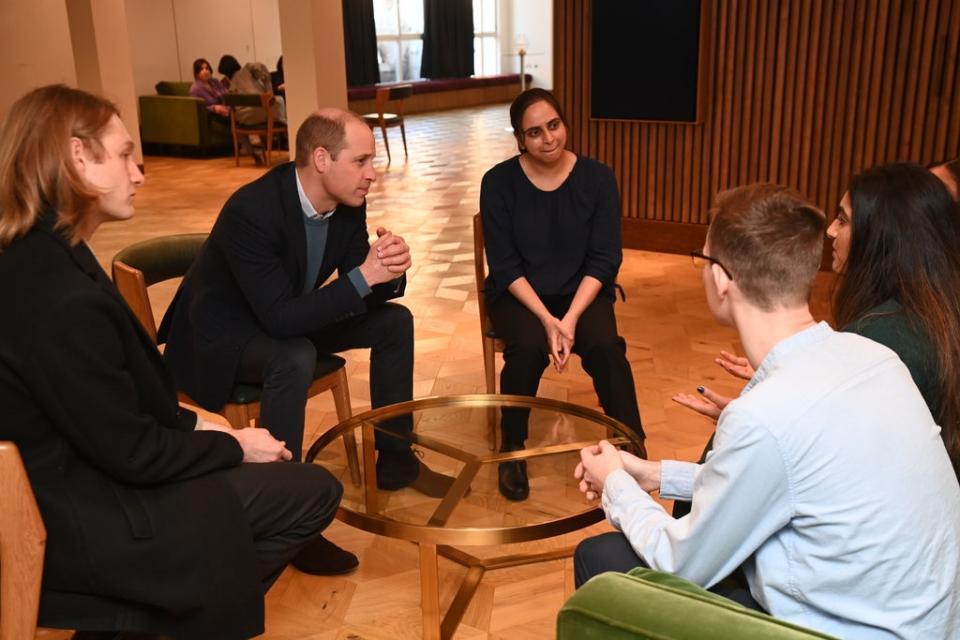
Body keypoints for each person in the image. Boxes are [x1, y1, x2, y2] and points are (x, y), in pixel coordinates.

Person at [0, 85, 345, 639]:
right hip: (91, 517)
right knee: (314, 492)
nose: (139, 172)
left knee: (275, 479)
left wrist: (192, 420)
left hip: (80, 479)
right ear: (76, 157)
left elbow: (104, 403)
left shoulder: (40, 253)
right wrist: (233, 442)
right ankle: (169, 616)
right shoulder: (58, 296)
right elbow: (132, 453)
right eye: (124, 155)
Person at [573, 183, 960, 639]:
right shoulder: (871, 357)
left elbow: (682, 562)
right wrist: (656, 474)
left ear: (721, 278)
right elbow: (796, 479)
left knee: (602, 560)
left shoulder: (766, 415)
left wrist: (615, 484)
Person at [160, 108, 454, 498]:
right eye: (361, 161)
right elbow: (284, 319)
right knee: (293, 355)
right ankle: (285, 498)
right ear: (321, 158)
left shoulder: (349, 200)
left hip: (284, 313)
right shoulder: (252, 210)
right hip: (222, 336)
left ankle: (396, 461)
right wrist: (365, 276)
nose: (372, 174)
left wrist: (388, 268)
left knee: (394, 324)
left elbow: (356, 281)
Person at [674, 163, 960, 482]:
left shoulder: (883, 338)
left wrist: (768, 415)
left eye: (844, 219)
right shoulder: (923, 312)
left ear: (882, 235)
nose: (830, 231)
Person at [480, 88, 646, 501]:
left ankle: (632, 448)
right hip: (519, 294)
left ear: (564, 124)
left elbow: (605, 260)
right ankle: (512, 448)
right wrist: (546, 319)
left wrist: (568, 319)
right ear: (520, 138)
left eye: (553, 125)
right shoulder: (498, 182)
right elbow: (504, 266)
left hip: (580, 293)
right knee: (527, 347)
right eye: (534, 132)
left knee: (606, 345)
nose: (548, 138)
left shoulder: (598, 178)